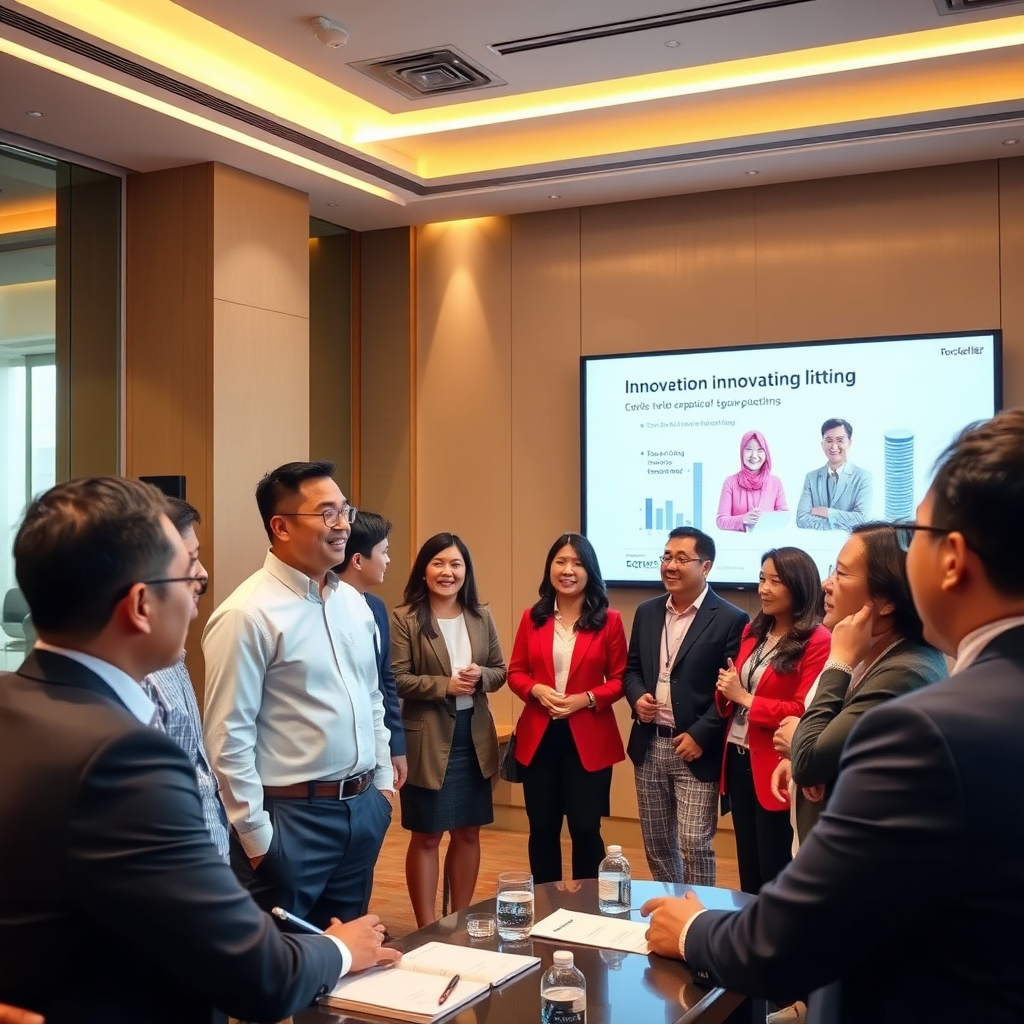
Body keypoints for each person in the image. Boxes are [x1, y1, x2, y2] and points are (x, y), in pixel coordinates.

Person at [642, 409, 1024, 1024]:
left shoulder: (926, 730)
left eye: (915, 535)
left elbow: (788, 940)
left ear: (952, 559)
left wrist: (692, 929)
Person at [0, 477, 398, 1023]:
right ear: (141, 605)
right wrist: (342, 949)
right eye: (189, 573)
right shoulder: (126, 759)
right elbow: (256, 974)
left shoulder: (13, 704)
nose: (201, 587)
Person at [203, 461, 394, 929]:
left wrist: (383, 788)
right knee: (282, 959)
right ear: (282, 526)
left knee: (348, 958)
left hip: (362, 809)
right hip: (290, 819)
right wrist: (257, 838)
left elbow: (371, 698)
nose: (343, 524)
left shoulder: (354, 604)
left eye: (345, 510)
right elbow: (228, 736)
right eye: (327, 513)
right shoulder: (247, 614)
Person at [774, 523, 947, 843]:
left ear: (886, 600)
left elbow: (810, 760)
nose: (826, 584)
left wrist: (801, 744)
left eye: (841, 574)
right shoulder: (866, 651)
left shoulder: (906, 672)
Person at [391, 533, 507, 927]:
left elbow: (500, 670)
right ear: (424, 570)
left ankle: (460, 920)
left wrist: (480, 676)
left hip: (473, 738)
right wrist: (445, 686)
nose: (448, 572)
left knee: (469, 832)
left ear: (466, 571)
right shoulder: (405, 618)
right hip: (427, 741)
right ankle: (426, 928)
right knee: (426, 835)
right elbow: (396, 678)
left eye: (456, 564)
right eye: (438, 563)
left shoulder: (480, 616)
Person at [623, 527, 748, 885]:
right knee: (657, 844)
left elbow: (729, 691)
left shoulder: (730, 618)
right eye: (666, 557)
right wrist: (637, 698)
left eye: (681, 558)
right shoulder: (647, 612)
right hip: (649, 742)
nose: (670, 565)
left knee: (694, 843)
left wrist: (701, 735)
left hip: (694, 747)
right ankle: (670, 904)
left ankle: (699, 910)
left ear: (706, 566)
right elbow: (632, 670)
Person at [507, 533, 628, 883]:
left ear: (590, 570)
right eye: (560, 562)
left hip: (588, 737)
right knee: (542, 828)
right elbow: (516, 672)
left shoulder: (610, 620)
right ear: (550, 568)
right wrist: (536, 690)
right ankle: (547, 902)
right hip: (539, 736)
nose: (567, 570)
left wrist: (585, 698)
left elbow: (620, 679)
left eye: (577, 563)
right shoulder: (532, 617)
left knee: (585, 827)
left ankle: (588, 904)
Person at [713, 547, 830, 894]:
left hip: (777, 762)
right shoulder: (754, 631)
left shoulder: (818, 639)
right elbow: (736, 689)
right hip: (738, 757)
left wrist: (745, 698)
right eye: (762, 579)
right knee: (748, 867)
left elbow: (804, 708)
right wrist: (727, 689)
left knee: (774, 867)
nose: (763, 588)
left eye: (775, 581)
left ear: (799, 585)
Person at [141, 497, 230, 860]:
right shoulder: (132, 682)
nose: (203, 574)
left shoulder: (170, 654)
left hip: (206, 856)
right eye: (190, 560)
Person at [334, 510, 408, 793]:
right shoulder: (325, 607)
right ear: (357, 560)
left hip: (377, 740)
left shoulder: (375, 607)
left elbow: (384, 681)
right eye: (384, 552)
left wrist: (395, 746)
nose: (388, 560)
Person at [795, 418, 871, 531]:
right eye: (829, 440)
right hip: (817, 541)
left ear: (849, 443)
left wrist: (826, 512)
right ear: (822, 444)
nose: (834, 447)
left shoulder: (863, 477)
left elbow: (861, 519)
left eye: (840, 440)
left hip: (850, 540)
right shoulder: (811, 478)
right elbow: (801, 520)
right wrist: (843, 522)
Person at [716, 430, 789, 532]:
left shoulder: (775, 482)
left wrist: (764, 519)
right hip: (738, 540)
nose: (754, 456)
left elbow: (783, 516)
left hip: (767, 539)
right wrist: (743, 519)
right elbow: (721, 521)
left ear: (766, 453)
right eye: (749, 449)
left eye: (760, 450)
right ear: (742, 452)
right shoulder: (730, 482)